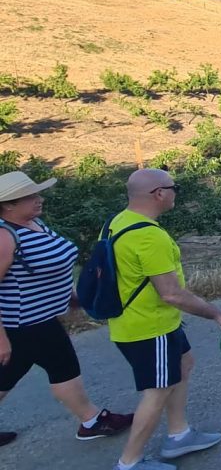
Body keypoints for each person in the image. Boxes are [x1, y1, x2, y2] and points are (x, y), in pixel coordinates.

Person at [109, 169, 221, 470]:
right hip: (148, 326)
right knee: (157, 392)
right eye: (173, 187)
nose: (175, 193)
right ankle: (128, 463)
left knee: (183, 363)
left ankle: (179, 435)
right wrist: (219, 314)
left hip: (151, 321)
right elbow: (172, 294)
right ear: (159, 193)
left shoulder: (119, 222)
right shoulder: (148, 236)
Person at [0, 171, 133, 449]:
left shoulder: (34, 224)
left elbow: (47, 268)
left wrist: (71, 296)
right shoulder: (4, 236)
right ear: (8, 205)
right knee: (63, 367)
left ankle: (91, 420)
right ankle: (92, 420)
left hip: (39, 317)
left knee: (9, 375)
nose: (39, 199)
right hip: (24, 322)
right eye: (30, 197)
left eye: (37, 194)